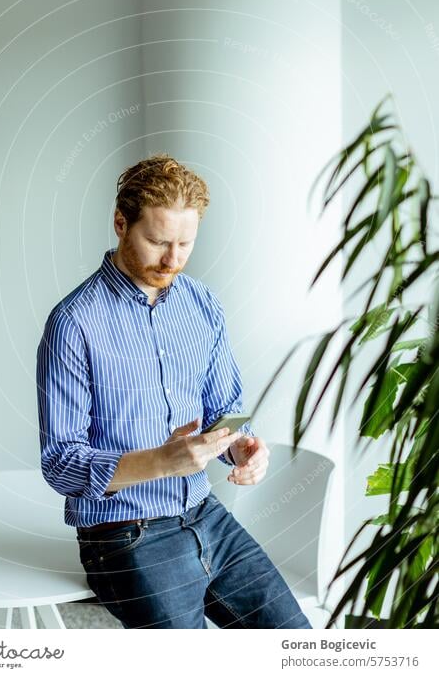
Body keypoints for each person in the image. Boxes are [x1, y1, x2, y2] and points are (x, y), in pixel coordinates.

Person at [36, 154, 312, 629]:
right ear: (121, 224)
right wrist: (165, 461)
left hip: (206, 516)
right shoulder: (73, 324)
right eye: (158, 241)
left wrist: (241, 445)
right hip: (123, 535)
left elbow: (226, 410)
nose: (173, 259)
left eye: (186, 243)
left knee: (296, 642)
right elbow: (61, 464)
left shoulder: (202, 304)